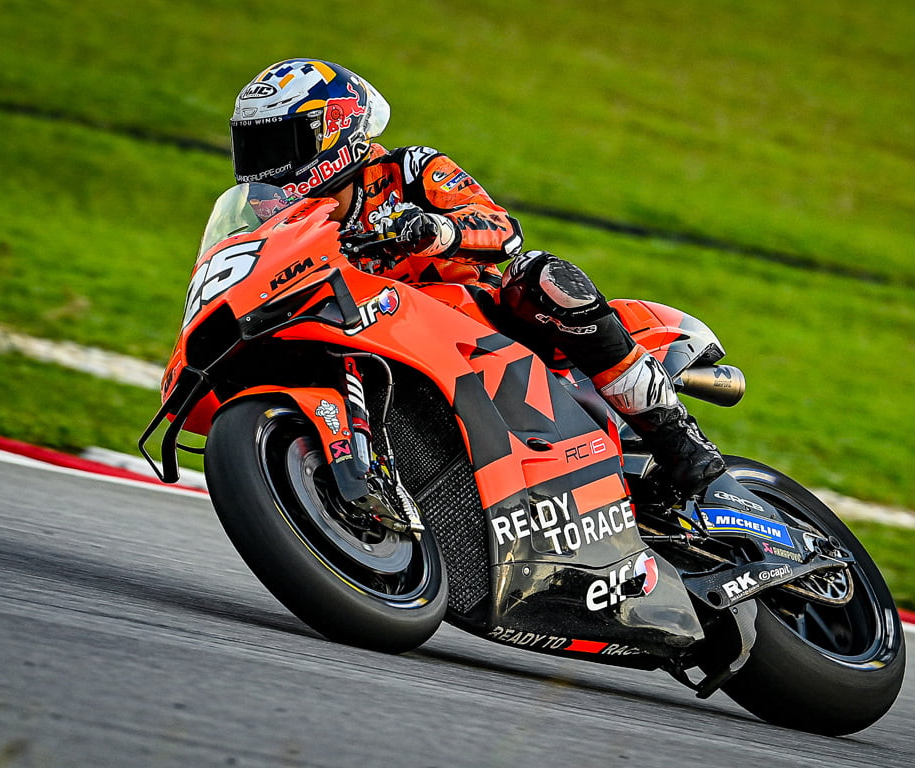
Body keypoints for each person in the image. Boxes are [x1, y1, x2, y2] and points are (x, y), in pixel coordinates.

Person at [229, 58, 724, 498]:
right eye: (251, 149)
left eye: (275, 145)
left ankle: (681, 444)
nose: (262, 166)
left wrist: (435, 231)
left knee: (541, 276)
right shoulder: (284, 225)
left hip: (474, 321)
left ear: (335, 130)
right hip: (382, 342)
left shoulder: (408, 169)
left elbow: (504, 230)